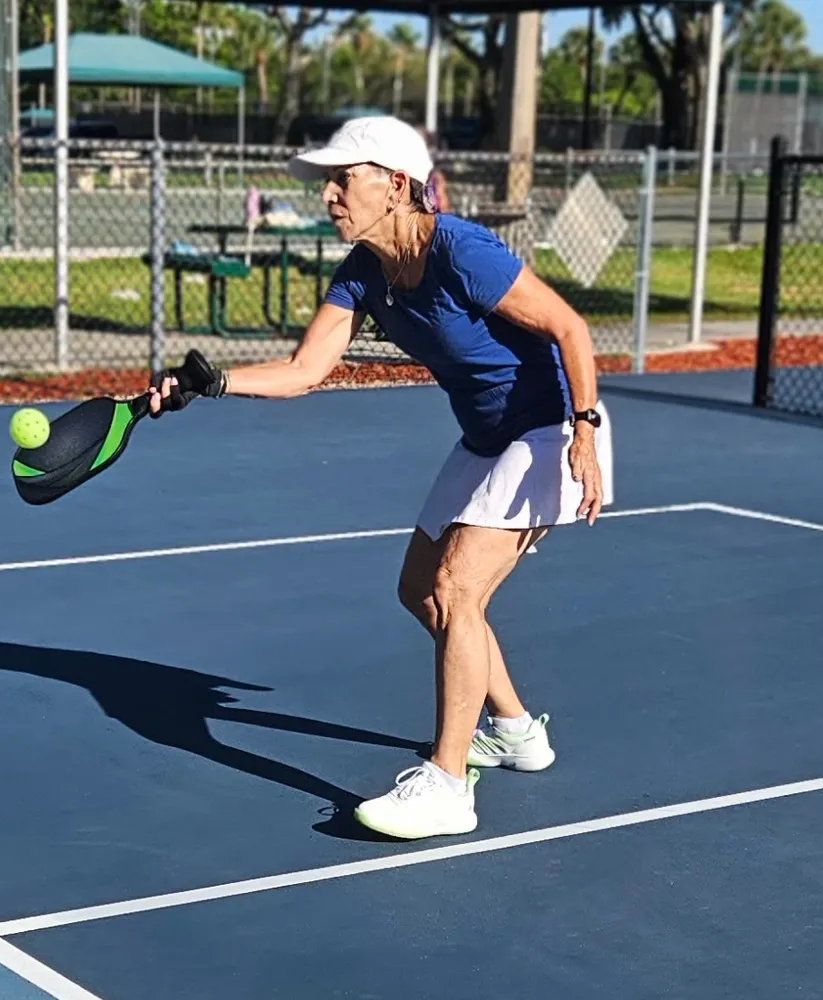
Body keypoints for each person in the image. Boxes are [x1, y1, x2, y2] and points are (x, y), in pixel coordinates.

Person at [147, 116, 612, 840]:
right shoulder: (363, 271)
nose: (329, 195)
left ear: (396, 185)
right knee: (418, 591)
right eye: (328, 182)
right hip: (486, 437)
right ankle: (517, 730)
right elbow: (305, 371)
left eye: (343, 178)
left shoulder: (462, 250)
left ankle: (448, 785)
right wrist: (209, 382)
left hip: (550, 428)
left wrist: (584, 431)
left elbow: (570, 329)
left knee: (458, 588)